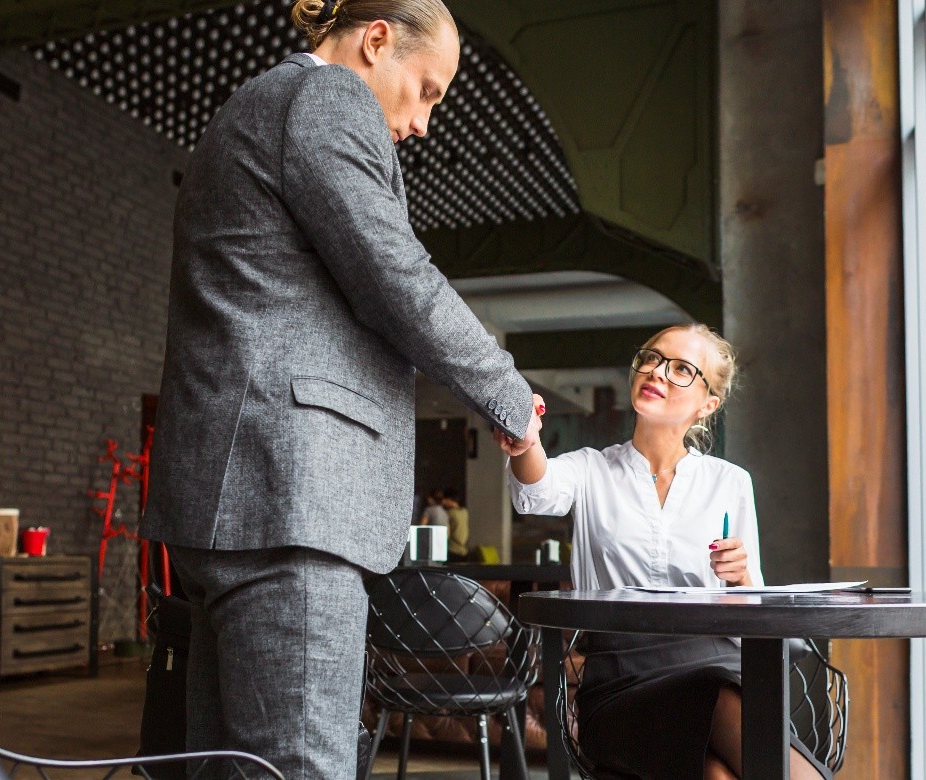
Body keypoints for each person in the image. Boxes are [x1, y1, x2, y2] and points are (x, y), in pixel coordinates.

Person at [139, 0, 541, 776]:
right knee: (303, 765)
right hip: (290, 492)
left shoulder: (258, 103)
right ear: (376, 39)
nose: (424, 122)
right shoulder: (324, 97)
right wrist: (510, 396)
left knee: (235, 767)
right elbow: (396, 276)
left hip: (241, 490)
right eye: (426, 89)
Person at [500, 324, 829, 780]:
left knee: (718, 764)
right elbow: (535, 492)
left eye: (680, 369)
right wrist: (528, 442)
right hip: (621, 679)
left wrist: (742, 577)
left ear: (706, 404)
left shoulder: (729, 481)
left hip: (715, 661)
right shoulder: (590, 469)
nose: (657, 371)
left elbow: (753, 603)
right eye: (651, 358)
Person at [440, 486, 469, 558]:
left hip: (452, 549)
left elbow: (446, 533)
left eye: (444, 499)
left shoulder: (448, 513)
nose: (442, 501)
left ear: (450, 499)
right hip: (463, 550)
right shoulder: (464, 512)